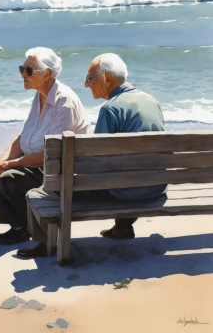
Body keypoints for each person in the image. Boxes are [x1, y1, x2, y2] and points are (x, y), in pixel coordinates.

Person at [17, 52, 168, 259]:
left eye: (90, 79)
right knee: (128, 170)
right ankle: (122, 228)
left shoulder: (110, 109)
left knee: (38, 194)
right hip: (156, 187)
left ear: (107, 78)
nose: (87, 85)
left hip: (126, 192)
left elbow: (95, 162)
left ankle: (46, 245)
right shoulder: (152, 101)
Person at [0, 47, 90, 249]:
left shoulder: (65, 102)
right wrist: (1, 162)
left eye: (28, 70)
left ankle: (21, 228)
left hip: (54, 170)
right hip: (34, 163)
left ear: (47, 74)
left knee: (7, 177)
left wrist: (12, 164)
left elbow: (53, 153)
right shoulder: (39, 96)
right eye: (22, 68)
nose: (22, 74)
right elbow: (22, 138)